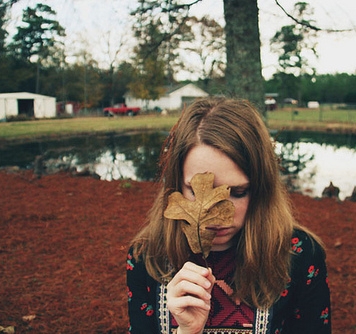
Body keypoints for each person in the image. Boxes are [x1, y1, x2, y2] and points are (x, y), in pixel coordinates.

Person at [127, 97, 331, 334]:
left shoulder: (299, 255)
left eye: (237, 192)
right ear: (176, 186)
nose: (217, 217)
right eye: (196, 190)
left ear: (260, 189)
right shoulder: (147, 256)